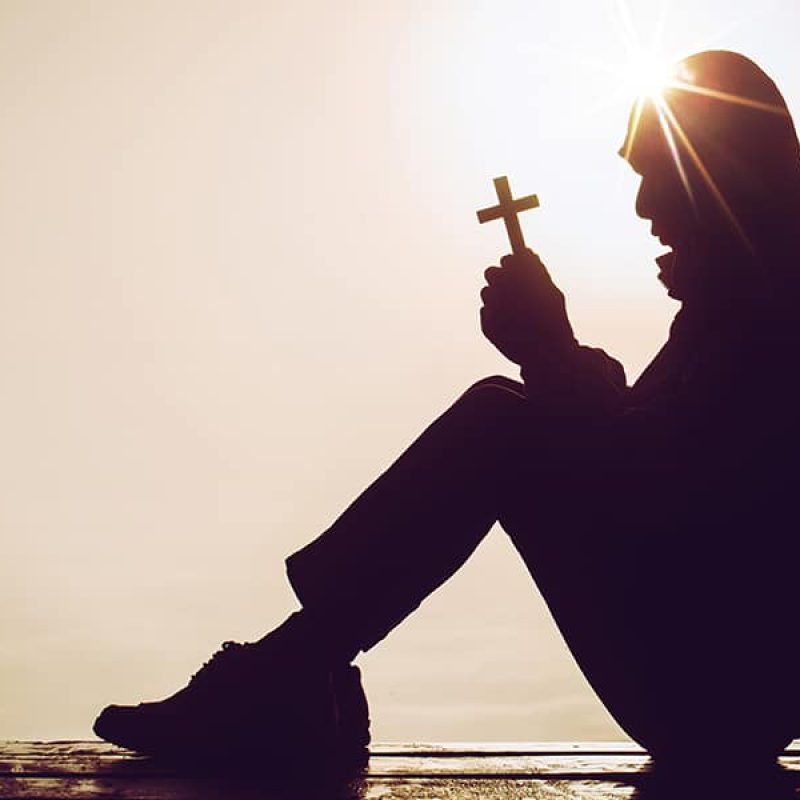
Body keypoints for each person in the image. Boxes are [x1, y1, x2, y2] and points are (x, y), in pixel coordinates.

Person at [94, 50, 800, 770]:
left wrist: (553, 354)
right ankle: (303, 669)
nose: (646, 207)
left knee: (502, 423)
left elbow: (660, 491)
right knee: (508, 412)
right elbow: (641, 448)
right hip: (721, 686)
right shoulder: (732, 306)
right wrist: (557, 356)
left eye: (659, 175)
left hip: (719, 693)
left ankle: (293, 674)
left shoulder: (771, 314)